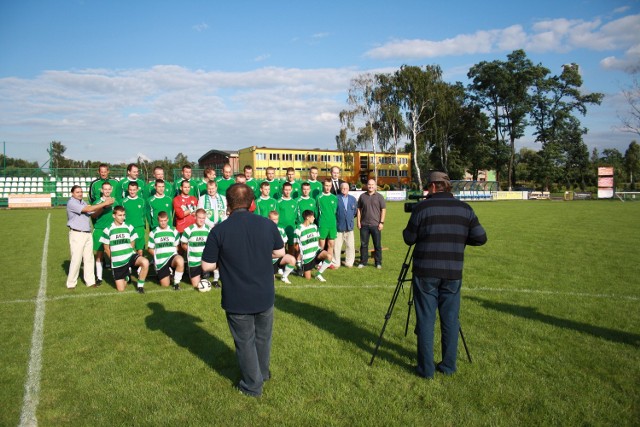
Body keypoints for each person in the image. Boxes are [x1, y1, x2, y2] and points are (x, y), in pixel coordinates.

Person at [201, 183, 285, 397]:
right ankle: (261, 374)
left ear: (228, 205)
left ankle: (252, 385)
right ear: (252, 203)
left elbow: (207, 266)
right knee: (262, 338)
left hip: (237, 297)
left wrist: (225, 258)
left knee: (245, 342)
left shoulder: (219, 230)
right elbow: (280, 251)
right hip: (264, 293)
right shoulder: (267, 224)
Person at [402, 171, 487, 379]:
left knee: (426, 320)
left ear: (432, 187)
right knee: (450, 320)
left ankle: (426, 369)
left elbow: (409, 238)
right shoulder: (464, 209)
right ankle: (448, 366)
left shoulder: (423, 208)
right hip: (452, 272)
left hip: (426, 272)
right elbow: (480, 238)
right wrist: (459, 239)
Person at [65, 185, 114, 289]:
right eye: (77, 192)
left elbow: (93, 213)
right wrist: (105, 203)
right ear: (72, 193)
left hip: (87, 233)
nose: (80, 194)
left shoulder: (82, 202)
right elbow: (89, 209)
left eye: (81, 192)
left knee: (89, 258)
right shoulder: (72, 202)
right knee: (76, 259)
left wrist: (103, 207)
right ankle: (71, 283)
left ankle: (90, 282)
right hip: (77, 233)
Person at [100, 206, 150, 293]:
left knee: (145, 262)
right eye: (120, 215)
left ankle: (140, 287)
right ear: (114, 216)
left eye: (124, 215)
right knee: (121, 289)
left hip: (129, 256)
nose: (122, 217)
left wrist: (129, 251)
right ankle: (127, 276)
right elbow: (106, 248)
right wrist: (113, 260)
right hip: (117, 262)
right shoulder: (107, 230)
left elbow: (133, 242)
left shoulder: (129, 227)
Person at [148, 211, 184, 290]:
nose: (163, 223)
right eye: (161, 221)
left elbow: (177, 246)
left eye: (164, 220)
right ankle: (168, 273)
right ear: (158, 221)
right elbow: (150, 249)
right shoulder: (153, 233)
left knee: (180, 260)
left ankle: (176, 283)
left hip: (172, 257)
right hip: (161, 260)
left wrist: (173, 253)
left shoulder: (174, 231)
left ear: (168, 220)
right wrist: (157, 256)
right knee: (165, 285)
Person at [294, 210, 332, 282]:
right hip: (307, 258)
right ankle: (301, 270)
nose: (314, 218)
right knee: (307, 279)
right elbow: (295, 246)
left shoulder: (314, 226)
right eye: (313, 217)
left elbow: (317, 239)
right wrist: (299, 261)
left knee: (329, 256)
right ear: (307, 217)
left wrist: (320, 249)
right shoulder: (298, 229)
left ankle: (318, 274)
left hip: (316, 252)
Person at [357, 179, 386, 269]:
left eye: (372, 185)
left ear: (375, 185)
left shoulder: (379, 197)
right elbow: (359, 210)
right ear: (367, 185)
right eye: (369, 184)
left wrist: (381, 222)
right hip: (364, 225)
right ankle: (363, 262)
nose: (370, 186)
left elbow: (383, 210)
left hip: (376, 225)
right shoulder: (362, 196)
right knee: (364, 245)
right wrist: (358, 222)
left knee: (377, 245)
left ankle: (378, 263)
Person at [181, 209, 213, 289]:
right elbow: (183, 244)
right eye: (199, 218)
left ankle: (215, 279)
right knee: (195, 285)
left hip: (205, 261)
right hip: (193, 261)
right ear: (195, 217)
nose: (201, 220)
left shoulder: (208, 230)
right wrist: (190, 251)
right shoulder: (188, 230)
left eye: (203, 218)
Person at [92, 181, 116, 285]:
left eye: (109, 189)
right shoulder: (97, 202)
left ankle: (117, 274)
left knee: (114, 253)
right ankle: (99, 277)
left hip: (112, 230)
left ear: (111, 190)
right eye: (105, 189)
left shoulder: (116, 201)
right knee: (99, 254)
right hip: (100, 230)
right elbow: (93, 216)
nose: (107, 191)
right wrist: (104, 206)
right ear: (101, 190)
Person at [268, 210, 296, 284]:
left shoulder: (281, 230)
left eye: (276, 219)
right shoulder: (264, 230)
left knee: (292, 260)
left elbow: (284, 244)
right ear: (268, 219)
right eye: (273, 219)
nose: (275, 221)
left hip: (279, 257)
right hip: (269, 258)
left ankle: (284, 277)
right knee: (271, 281)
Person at [333, 182, 357, 268]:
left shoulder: (353, 199)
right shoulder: (336, 198)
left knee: (350, 246)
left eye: (346, 188)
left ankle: (349, 262)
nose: (344, 189)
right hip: (338, 227)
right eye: (343, 188)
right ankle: (336, 262)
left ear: (348, 189)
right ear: (340, 189)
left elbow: (355, 212)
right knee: (337, 246)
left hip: (349, 227)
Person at [121, 181, 147, 256]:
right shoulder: (123, 202)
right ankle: (129, 265)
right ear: (128, 190)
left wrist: (143, 224)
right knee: (129, 248)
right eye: (130, 190)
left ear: (137, 190)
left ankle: (139, 266)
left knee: (140, 249)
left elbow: (143, 214)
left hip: (139, 227)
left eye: (134, 190)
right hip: (128, 228)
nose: (132, 192)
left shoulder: (142, 201)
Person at [316, 179, 338, 260]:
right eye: (326, 185)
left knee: (331, 244)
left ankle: (329, 261)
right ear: (323, 186)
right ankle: (319, 262)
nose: (327, 187)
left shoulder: (334, 198)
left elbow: (335, 211)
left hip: (332, 224)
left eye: (329, 186)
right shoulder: (319, 197)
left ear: (331, 186)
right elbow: (316, 212)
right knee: (321, 245)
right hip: (323, 224)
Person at [277, 182, 298, 255]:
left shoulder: (294, 202)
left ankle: (290, 263)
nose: (287, 191)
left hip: (291, 227)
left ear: (291, 190)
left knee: (291, 245)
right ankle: (281, 261)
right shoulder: (278, 202)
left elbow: (295, 215)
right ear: (282, 190)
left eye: (289, 190)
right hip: (281, 227)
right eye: (286, 190)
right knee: (282, 245)